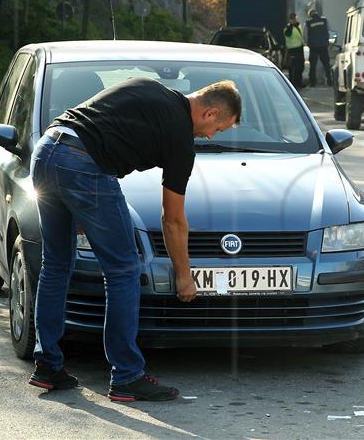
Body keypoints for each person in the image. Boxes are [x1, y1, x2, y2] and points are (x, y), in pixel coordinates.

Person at [28, 77, 241, 402]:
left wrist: (81, 202)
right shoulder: (181, 140)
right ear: (210, 113)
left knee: (55, 264)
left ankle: (47, 366)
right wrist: (184, 276)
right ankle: (127, 376)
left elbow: (101, 125)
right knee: (124, 270)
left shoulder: (151, 88)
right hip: (85, 166)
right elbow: (173, 220)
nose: (211, 136)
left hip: (47, 151)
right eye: (219, 129)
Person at [305, 9, 333, 87]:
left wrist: (308, 43)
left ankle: (313, 82)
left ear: (310, 15)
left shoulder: (308, 23)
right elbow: (330, 31)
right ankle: (329, 81)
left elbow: (305, 35)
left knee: (313, 65)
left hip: (313, 47)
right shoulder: (324, 20)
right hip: (324, 46)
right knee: (326, 65)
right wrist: (329, 42)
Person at [283, 12, 305, 89]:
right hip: (292, 50)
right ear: (290, 20)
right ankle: (293, 83)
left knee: (301, 67)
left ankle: (299, 82)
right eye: (293, 19)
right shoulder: (288, 28)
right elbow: (288, 34)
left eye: (295, 18)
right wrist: (291, 25)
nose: (295, 20)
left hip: (300, 49)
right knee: (293, 68)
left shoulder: (299, 26)